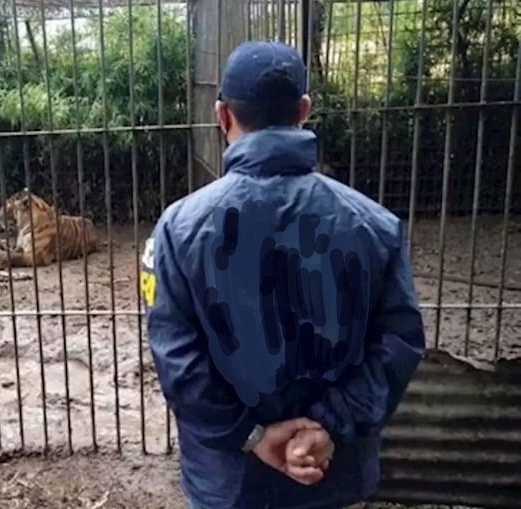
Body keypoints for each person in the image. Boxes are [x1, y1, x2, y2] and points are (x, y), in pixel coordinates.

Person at [142, 41, 426, 508]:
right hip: (333, 474)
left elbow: (177, 359)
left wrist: (252, 436)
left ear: (222, 115)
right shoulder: (375, 224)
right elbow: (399, 342)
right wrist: (329, 427)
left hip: (229, 482)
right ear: (304, 110)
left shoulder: (177, 228)